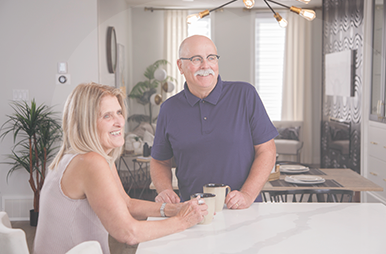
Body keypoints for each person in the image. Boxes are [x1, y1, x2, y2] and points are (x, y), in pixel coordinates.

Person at [33, 83, 207, 254]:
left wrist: (173, 209)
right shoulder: (90, 162)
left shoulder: (80, 157)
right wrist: (182, 221)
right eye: (107, 116)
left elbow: (126, 204)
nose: (119, 122)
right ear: (86, 123)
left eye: (118, 113)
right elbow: (128, 233)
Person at [150, 35, 278, 209]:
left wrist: (247, 195)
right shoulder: (168, 109)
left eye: (211, 58)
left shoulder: (245, 95)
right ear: (180, 66)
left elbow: (267, 151)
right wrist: (165, 190)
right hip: (192, 211)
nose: (205, 66)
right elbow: (159, 161)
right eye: (196, 59)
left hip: (244, 209)